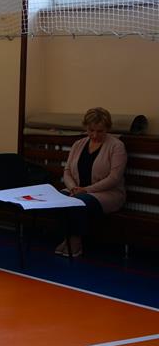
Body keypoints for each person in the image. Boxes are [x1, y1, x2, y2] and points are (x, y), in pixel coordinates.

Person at [58, 107, 127, 258]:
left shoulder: (116, 146)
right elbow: (67, 171)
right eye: (91, 130)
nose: (95, 135)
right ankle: (67, 237)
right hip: (78, 190)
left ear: (108, 128)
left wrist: (86, 190)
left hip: (107, 194)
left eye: (100, 131)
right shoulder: (78, 144)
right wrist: (73, 187)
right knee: (58, 199)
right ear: (86, 127)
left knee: (78, 202)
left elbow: (114, 178)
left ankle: (75, 240)